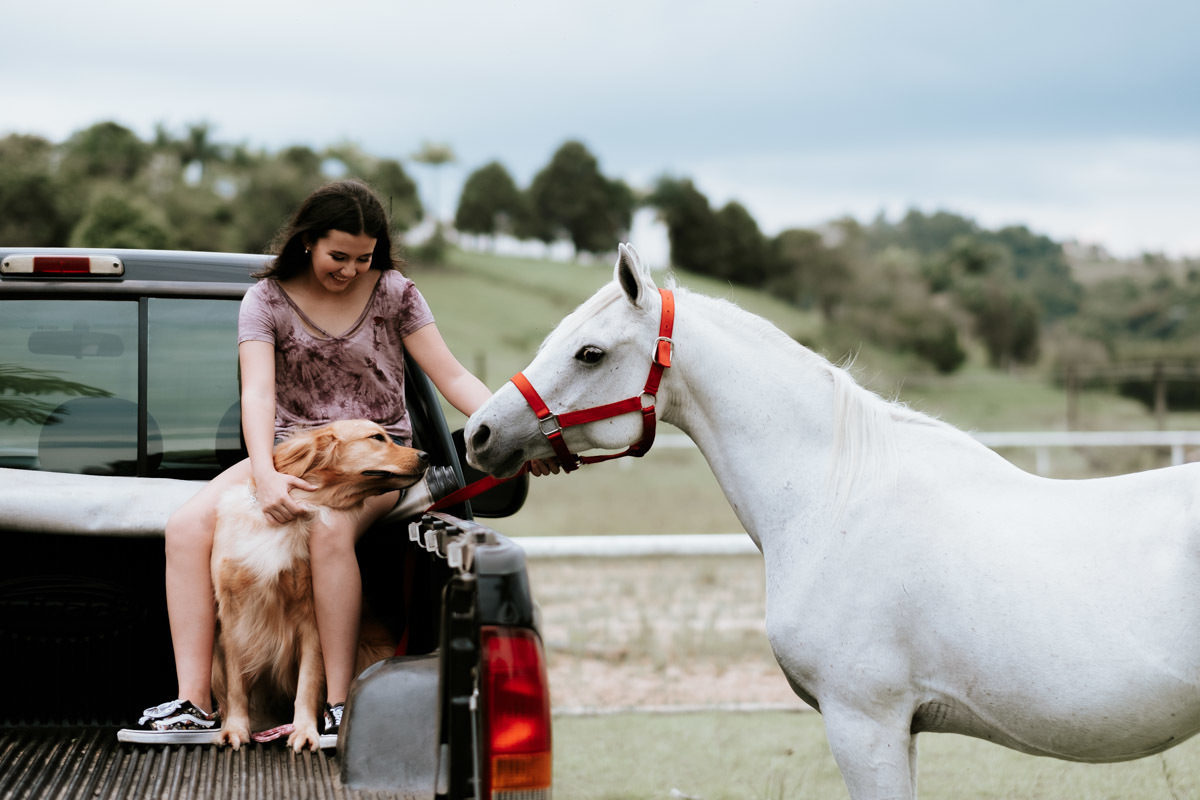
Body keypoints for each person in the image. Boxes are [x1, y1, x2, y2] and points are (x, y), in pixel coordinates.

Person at [124, 180, 554, 744]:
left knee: (327, 531)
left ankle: (336, 706)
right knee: (184, 527)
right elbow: (257, 393)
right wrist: (266, 474)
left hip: (376, 457)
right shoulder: (266, 300)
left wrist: (521, 436)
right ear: (307, 242)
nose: (350, 270)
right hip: (290, 452)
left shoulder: (396, 294)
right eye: (338, 256)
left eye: (363, 258)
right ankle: (194, 704)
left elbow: (451, 376)